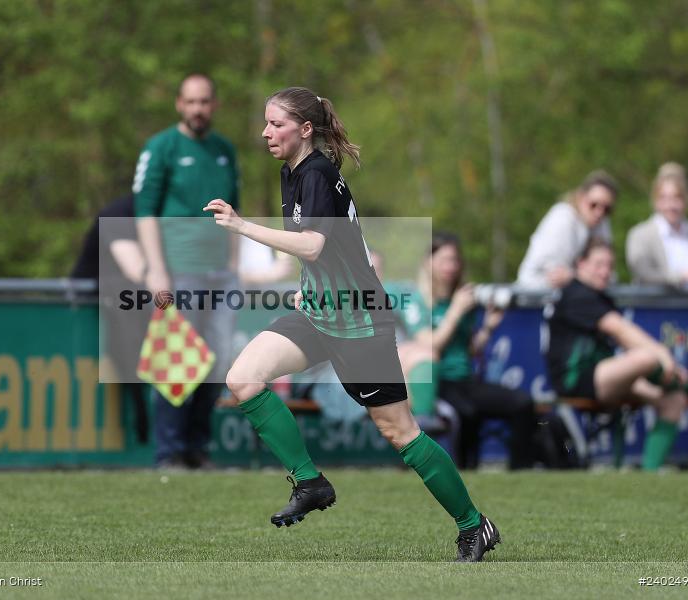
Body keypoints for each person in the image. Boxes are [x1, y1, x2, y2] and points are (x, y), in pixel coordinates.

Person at [204, 86, 500, 562]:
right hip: (320, 312)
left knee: (400, 432)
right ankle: (309, 482)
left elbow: (315, 244)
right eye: (265, 123)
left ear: (305, 130)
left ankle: (474, 525)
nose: (265, 132)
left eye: (276, 124)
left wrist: (241, 226)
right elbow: (330, 248)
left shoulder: (317, 172)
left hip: (359, 322)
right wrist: (310, 283)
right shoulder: (295, 171)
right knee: (243, 378)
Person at [133, 74, 240, 469]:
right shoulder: (161, 148)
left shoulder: (225, 150)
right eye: (191, 101)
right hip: (179, 270)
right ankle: (170, 452)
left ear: (215, 104)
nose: (198, 109)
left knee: (217, 360)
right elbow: (144, 212)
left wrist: (233, 266)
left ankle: (198, 447)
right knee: (177, 360)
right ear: (179, 103)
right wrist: (157, 270)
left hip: (219, 275)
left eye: (205, 101)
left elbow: (234, 213)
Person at [545, 239, 688, 470]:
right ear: (581, 263)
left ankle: (649, 476)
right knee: (646, 358)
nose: (605, 271)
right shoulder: (576, 294)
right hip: (576, 380)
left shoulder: (600, 296)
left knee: (674, 400)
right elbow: (621, 330)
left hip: (604, 375)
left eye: (609, 265)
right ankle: (671, 379)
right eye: (598, 264)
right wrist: (664, 356)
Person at [398, 232, 536, 470]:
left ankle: (520, 472)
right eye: (445, 260)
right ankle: (464, 471)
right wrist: (455, 311)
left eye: (455, 260)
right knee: (466, 411)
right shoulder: (415, 300)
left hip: (464, 380)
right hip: (434, 382)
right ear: (427, 262)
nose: (451, 267)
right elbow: (429, 346)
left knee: (522, 403)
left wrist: (488, 329)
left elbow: (468, 350)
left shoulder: (462, 298)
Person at [626, 162, 688, 401]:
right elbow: (642, 270)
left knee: (680, 399)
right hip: (656, 328)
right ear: (656, 200)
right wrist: (685, 276)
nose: (671, 204)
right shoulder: (641, 235)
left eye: (676, 197)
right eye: (664, 197)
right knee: (665, 396)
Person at [71, 194, 151, 443]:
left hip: (134, 302)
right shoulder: (118, 213)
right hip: (98, 303)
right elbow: (135, 270)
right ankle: (141, 430)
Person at [516, 170, 618, 290]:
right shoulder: (563, 220)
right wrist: (582, 276)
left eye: (607, 209)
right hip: (534, 296)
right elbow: (557, 277)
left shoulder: (602, 223)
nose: (599, 212)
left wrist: (578, 276)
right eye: (593, 204)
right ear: (580, 197)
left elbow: (608, 274)